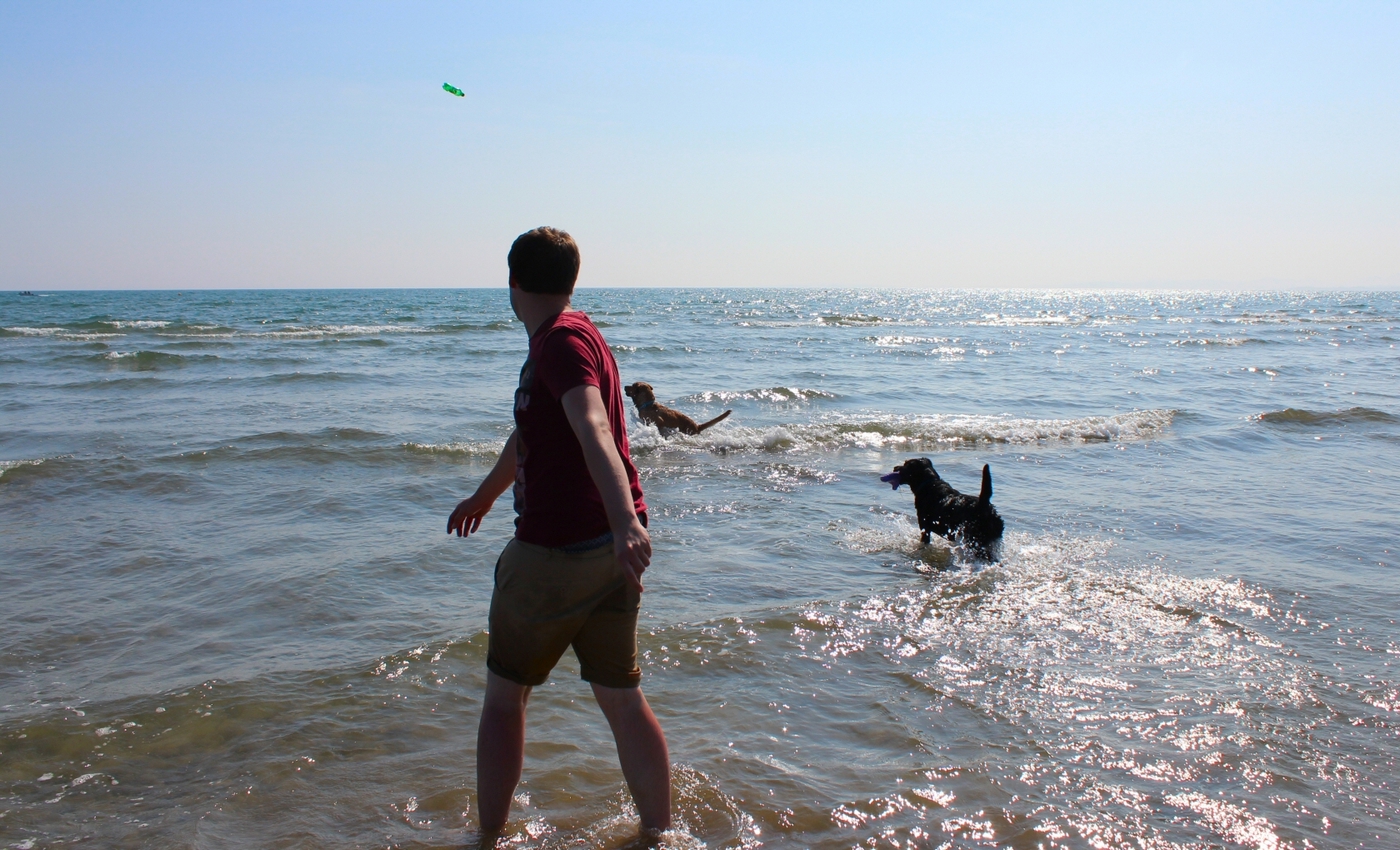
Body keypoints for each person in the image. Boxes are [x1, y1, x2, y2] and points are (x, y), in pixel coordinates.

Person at [447, 227, 671, 835]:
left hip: (559, 550)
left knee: (503, 699)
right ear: (570, 281)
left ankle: (487, 839)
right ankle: (661, 834)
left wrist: (625, 523)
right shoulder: (580, 333)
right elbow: (531, 435)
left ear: (513, 283)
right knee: (623, 700)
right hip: (607, 554)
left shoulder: (557, 345)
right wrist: (484, 497)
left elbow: (594, 427)